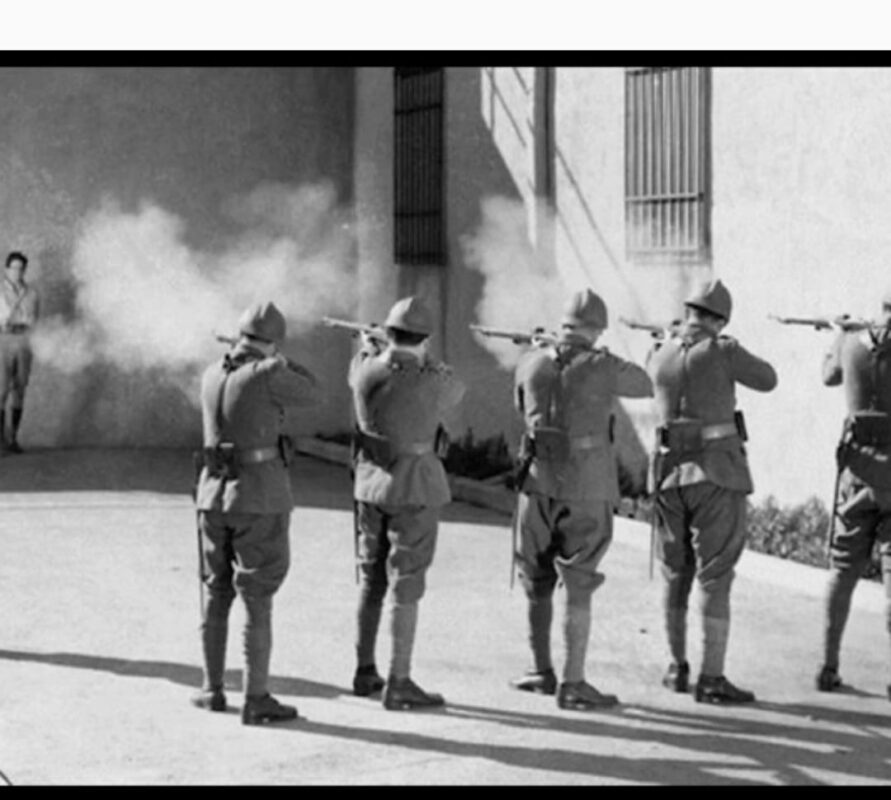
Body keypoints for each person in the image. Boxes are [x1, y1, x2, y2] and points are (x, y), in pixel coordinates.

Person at [510, 288, 653, 711]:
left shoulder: (530, 361)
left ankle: (540, 670)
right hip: (587, 485)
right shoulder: (601, 365)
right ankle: (573, 681)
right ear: (595, 330)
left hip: (537, 482)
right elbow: (644, 383)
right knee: (579, 578)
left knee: (535, 576)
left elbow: (520, 406)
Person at [647, 278, 777, 704]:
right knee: (715, 576)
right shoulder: (723, 350)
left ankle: (676, 667)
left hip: (668, 477)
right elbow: (768, 379)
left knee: (674, 573)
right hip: (716, 473)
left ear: (688, 313)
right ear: (719, 320)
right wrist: (728, 347)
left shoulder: (660, 351)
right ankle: (711, 677)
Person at [193, 301, 320, 725]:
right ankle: (256, 696)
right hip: (258, 496)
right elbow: (314, 392)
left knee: (216, 591)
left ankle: (211, 689)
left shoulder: (212, 373)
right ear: (272, 342)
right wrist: (281, 360)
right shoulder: (269, 374)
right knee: (258, 596)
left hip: (213, 495)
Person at [349, 295, 466, 710]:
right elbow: (454, 389)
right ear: (424, 339)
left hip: (371, 484)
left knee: (371, 579)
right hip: (414, 487)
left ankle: (365, 670)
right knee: (406, 583)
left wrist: (372, 348)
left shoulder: (364, 369)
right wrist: (415, 356)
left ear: (389, 331)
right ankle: (399, 680)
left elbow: (363, 369)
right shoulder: (431, 378)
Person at [818, 293, 891, 700]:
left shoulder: (852, 342)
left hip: (857, 471)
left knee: (843, 569)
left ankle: (828, 665)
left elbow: (829, 375)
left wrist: (838, 335)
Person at [0, 251, 40, 454]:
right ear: (6, 269)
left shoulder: (32, 293)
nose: (18, 272)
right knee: (1, 390)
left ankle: (13, 439)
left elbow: (35, 320)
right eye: (14, 268)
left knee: (20, 390)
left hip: (25, 342)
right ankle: (0, 441)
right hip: (3, 341)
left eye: (21, 268)